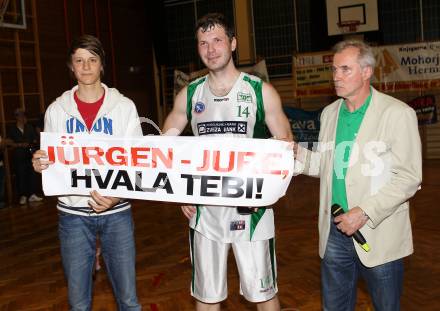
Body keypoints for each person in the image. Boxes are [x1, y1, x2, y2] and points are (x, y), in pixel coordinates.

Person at [162, 13, 292, 311]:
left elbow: (286, 149)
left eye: (217, 40)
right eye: (203, 43)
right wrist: (181, 191)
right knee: (207, 298)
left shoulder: (261, 92)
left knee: (264, 295)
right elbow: (163, 149)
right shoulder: (189, 95)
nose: (210, 49)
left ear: (232, 43)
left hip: (251, 212)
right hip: (205, 212)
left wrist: (267, 192)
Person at [295, 40, 422, 310]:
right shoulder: (330, 113)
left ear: (366, 72)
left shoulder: (398, 113)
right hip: (334, 230)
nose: (336, 77)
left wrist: (363, 212)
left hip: (378, 230)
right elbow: (328, 166)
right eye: (334, 70)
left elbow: (409, 177)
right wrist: (296, 155)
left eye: (345, 69)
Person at [32, 34, 142, 311]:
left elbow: (139, 162)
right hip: (73, 216)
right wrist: (41, 164)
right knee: (78, 304)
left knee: (129, 301)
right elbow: (52, 159)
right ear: (71, 66)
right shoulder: (56, 110)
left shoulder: (125, 107)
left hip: (117, 212)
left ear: (102, 65)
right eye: (79, 61)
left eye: (92, 60)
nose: (86, 66)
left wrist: (115, 196)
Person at [8, 108, 43, 205]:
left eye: (23, 115)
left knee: (32, 174)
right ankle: (23, 196)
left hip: (30, 154)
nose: (22, 117)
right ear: (16, 117)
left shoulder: (29, 127)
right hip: (18, 156)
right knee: (21, 175)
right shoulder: (12, 129)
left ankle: (32, 194)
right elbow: (9, 142)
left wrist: (31, 143)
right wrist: (19, 145)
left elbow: (35, 140)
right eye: (20, 115)